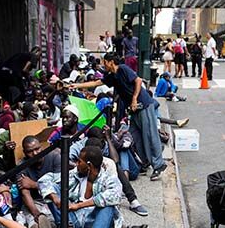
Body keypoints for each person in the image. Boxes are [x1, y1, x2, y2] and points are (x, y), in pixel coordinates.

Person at [39, 146, 147, 228]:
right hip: (73, 221)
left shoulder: (108, 178)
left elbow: (115, 195)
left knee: (108, 205)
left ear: (88, 165)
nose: (76, 164)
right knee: (53, 191)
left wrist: (78, 205)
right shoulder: (75, 174)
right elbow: (45, 179)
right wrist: (55, 197)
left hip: (95, 223)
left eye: (79, 161)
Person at [71, 53, 167, 181]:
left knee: (149, 135)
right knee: (135, 136)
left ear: (111, 62)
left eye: (105, 62)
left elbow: (138, 80)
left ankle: (158, 164)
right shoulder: (112, 77)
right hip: (133, 109)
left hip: (142, 104)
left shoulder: (123, 69)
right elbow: (96, 83)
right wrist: (76, 86)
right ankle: (146, 161)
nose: (103, 65)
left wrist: (134, 99)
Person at [16, 136, 59, 228]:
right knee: (32, 221)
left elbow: (60, 185)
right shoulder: (22, 165)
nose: (35, 153)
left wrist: (34, 184)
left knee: (50, 221)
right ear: (25, 153)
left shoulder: (54, 157)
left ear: (42, 147)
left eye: (37, 149)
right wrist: (36, 213)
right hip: (33, 202)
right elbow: (25, 193)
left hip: (51, 198)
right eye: (30, 151)